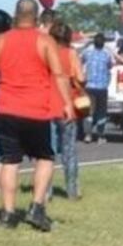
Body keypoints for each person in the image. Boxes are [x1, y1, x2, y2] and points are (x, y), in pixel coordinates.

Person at [0, 0, 74, 232]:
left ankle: (7, 214)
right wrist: (68, 103)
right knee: (45, 158)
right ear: (36, 18)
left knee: (9, 161)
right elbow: (59, 75)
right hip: (36, 111)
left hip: (6, 109)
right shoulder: (44, 41)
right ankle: (37, 208)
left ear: (15, 16)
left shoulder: (1, 40)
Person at [49, 21, 85, 200]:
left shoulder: (47, 53)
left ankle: (45, 191)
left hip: (47, 107)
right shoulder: (71, 54)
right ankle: (72, 190)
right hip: (67, 107)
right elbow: (80, 77)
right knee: (69, 151)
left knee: (47, 152)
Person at [81, 33, 113, 144]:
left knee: (89, 111)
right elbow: (110, 66)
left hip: (89, 86)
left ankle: (88, 135)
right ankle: (100, 136)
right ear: (103, 43)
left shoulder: (87, 52)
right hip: (102, 87)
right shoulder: (107, 54)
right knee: (101, 112)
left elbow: (81, 60)